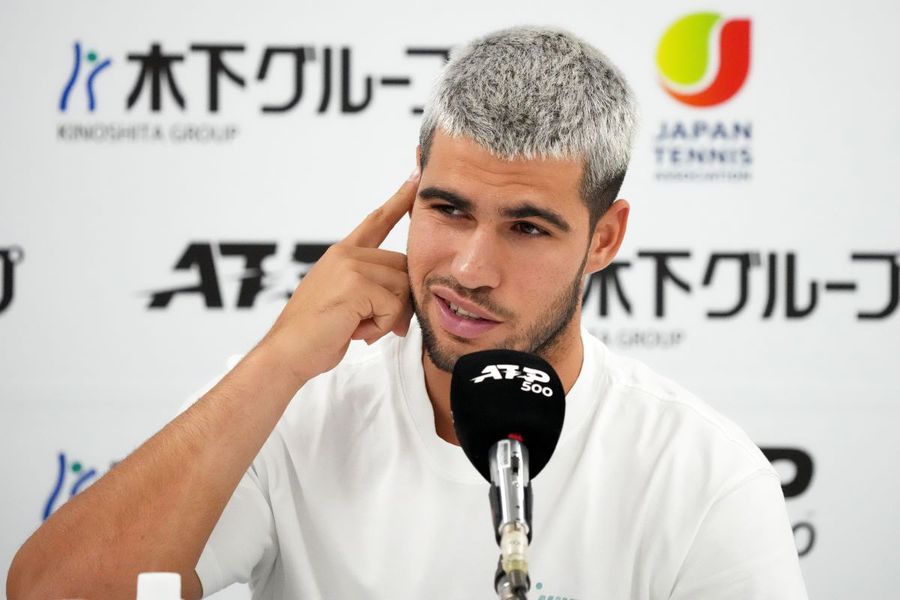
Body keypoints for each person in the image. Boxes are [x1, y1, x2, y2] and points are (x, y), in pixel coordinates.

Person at [7, 26, 808, 600]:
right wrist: (279, 359)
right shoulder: (293, 400)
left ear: (604, 238)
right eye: (449, 209)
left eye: (526, 227)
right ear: (410, 194)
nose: (468, 269)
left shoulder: (702, 474)